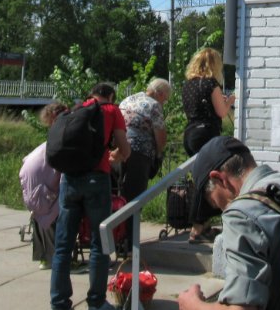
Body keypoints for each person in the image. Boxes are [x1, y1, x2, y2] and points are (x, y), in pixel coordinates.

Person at [177, 136, 280, 310]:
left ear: (219, 179)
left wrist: (192, 305)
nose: (220, 210)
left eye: (214, 202)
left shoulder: (241, 215)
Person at [50, 82, 130, 310]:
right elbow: (125, 149)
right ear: (111, 96)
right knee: (99, 243)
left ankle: (59, 303)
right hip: (97, 179)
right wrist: (115, 154)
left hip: (69, 180)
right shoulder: (112, 111)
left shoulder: (75, 110)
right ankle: (96, 302)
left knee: (63, 246)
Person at [181, 47, 235, 243]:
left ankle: (202, 225)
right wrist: (230, 101)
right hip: (206, 133)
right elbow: (221, 112)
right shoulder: (211, 84)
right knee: (207, 180)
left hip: (189, 133)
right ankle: (197, 226)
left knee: (200, 178)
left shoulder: (188, 85)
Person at [118, 77, 171, 255]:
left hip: (118, 152)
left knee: (120, 196)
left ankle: (118, 239)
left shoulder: (128, 99)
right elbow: (160, 137)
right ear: (160, 93)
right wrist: (158, 154)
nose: (165, 101)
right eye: (166, 98)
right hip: (139, 155)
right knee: (135, 198)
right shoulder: (153, 105)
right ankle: (130, 245)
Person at [20, 101, 69, 269]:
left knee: (42, 216)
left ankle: (45, 257)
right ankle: (57, 257)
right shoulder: (62, 133)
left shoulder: (51, 136)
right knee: (60, 208)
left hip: (30, 181)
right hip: (42, 185)